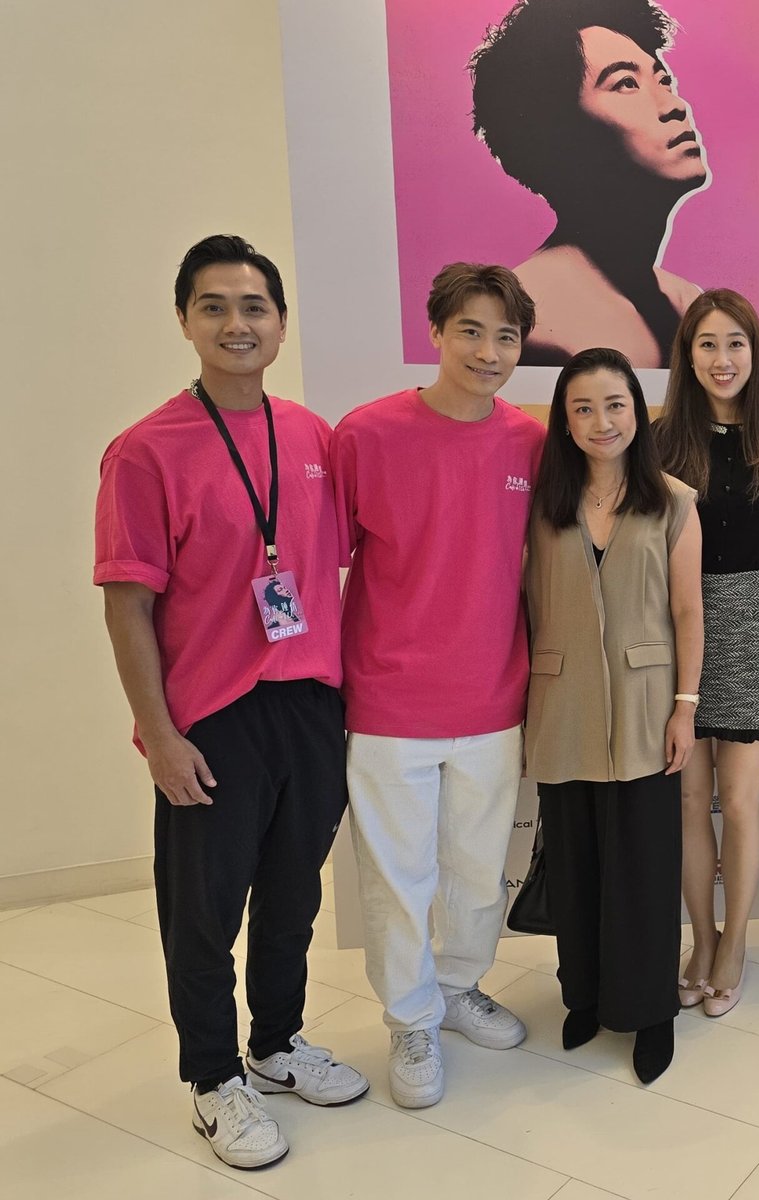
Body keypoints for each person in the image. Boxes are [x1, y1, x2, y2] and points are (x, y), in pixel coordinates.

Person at [95, 235, 368, 1170]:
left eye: (254, 306)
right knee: (204, 912)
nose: (236, 323)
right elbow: (126, 605)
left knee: (294, 896)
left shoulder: (313, 437)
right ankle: (214, 1079)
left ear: (281, 323)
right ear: (184, 320)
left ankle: (278, 1044)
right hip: (211, 718)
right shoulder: (145, 451)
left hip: (311, 704)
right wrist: (161, 735)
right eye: (213, 306)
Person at [333, 263, 546, 1108]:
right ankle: (411, 1019)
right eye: (471, 331)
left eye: (506, 336)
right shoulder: (366, 435)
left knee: (477, 870)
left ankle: (457, 986)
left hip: (494, 697)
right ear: (435, 332)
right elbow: (318, 562)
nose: (488, 352)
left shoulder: (529, 442)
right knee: (397, 879)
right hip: (389, 702)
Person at [525, 347, 703, 1084]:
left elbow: (688, 611)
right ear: (565, 423)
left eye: (615, 404)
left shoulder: (675, 500)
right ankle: (586, 997)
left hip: (647, 706)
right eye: (584, 408)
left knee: (644, 867)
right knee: (575, 865)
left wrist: (686, 706)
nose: (602, 421)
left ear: (638, 410)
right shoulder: (541, 502)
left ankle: (650, 1010)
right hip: (560, 703)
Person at [656, 288, 759, 1015]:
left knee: (741, 801)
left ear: (755, 353)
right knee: (690, 800)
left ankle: (737, 943)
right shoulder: (661, 439)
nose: (722, 359)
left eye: (735, 343)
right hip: (678, 628)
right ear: (687, 356)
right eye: (707, 344)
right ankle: (701, 938)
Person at [471, 0, 708, 368]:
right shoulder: (531, 316)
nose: (675, 104)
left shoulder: (687, 301)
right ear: (561, 135)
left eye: (664, 80)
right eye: (626, 83)